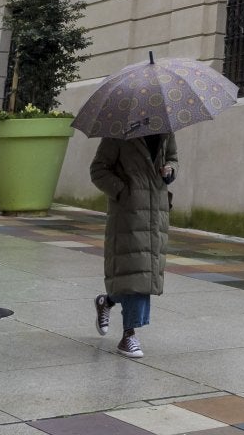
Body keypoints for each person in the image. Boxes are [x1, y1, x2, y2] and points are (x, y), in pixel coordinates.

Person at [89, 131, 178, 357]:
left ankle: (106, 301)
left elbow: (173, 158)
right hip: (128, 214)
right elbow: (98, 170)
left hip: (156, 212)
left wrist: (170, 170)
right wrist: (123, 191)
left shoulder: (166, 129)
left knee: (143, 273)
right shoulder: (119, 133)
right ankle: (128, 335)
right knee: (136, 272)